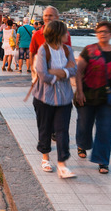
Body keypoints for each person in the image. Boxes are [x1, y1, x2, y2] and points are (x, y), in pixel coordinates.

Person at [75, 21, 111, 174]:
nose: (103, 34)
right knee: (84, 124)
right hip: (88, 95)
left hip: (108, 97)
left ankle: (103, 161)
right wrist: (80, 91)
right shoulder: (89, 50)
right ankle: (82, 144)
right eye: (100, 31)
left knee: (105, 129)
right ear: (96, 33)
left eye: (106, 31)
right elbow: (79, 71)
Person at [32, 20, 77, 179]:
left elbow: (74, 70)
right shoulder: (44, 50)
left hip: (64, 97)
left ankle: (62, 164)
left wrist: (57, 72)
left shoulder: (67, 50)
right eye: (65, 32)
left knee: (62, 129)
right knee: (45, 127)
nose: (67, 35)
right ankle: (45, 158)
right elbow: (43, 74)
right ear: (57, 34)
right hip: (45, 96)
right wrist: (64, 72)